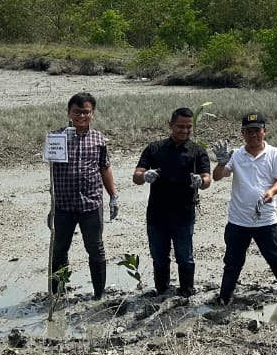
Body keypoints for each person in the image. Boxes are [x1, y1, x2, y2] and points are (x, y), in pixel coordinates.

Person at [210, 112, 277, 305]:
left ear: (264, 131)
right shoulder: (236, 155)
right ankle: (224, 297)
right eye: (249, 132)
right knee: (232, 261)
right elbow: (217, 176)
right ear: (242, 133)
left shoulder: (274, 153)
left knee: (275, 256)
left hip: (265, 218)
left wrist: (271, 192)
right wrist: (221, 162)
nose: (253, 135)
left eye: (257, 131)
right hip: (238, 219)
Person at [133, 107, 212, 297]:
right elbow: (136, 176)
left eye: (188, 127)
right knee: (159, 258)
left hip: (184, 214)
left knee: (185, 258)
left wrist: (201, 182)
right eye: (180, 127)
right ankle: (162, 290)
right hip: (157, 215)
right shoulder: (154, 149)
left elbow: (207, 179)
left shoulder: (197, 151)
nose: (184, 131)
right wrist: (145, 176)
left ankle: (187, 291)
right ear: (170, 125)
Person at [47, 92, 119, 300]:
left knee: (96, 249)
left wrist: (113, 196)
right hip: (63, 206)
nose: (81, 116)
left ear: (92, 114)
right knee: (59, 250)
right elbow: (50, 169)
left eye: (86, 112)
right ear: (69, 112)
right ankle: (57, 294)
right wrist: (52, 208)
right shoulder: (57, 137)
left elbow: (105, 168)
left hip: (91, 204)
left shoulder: (98, 139)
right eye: (77, 112)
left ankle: (99, 294)